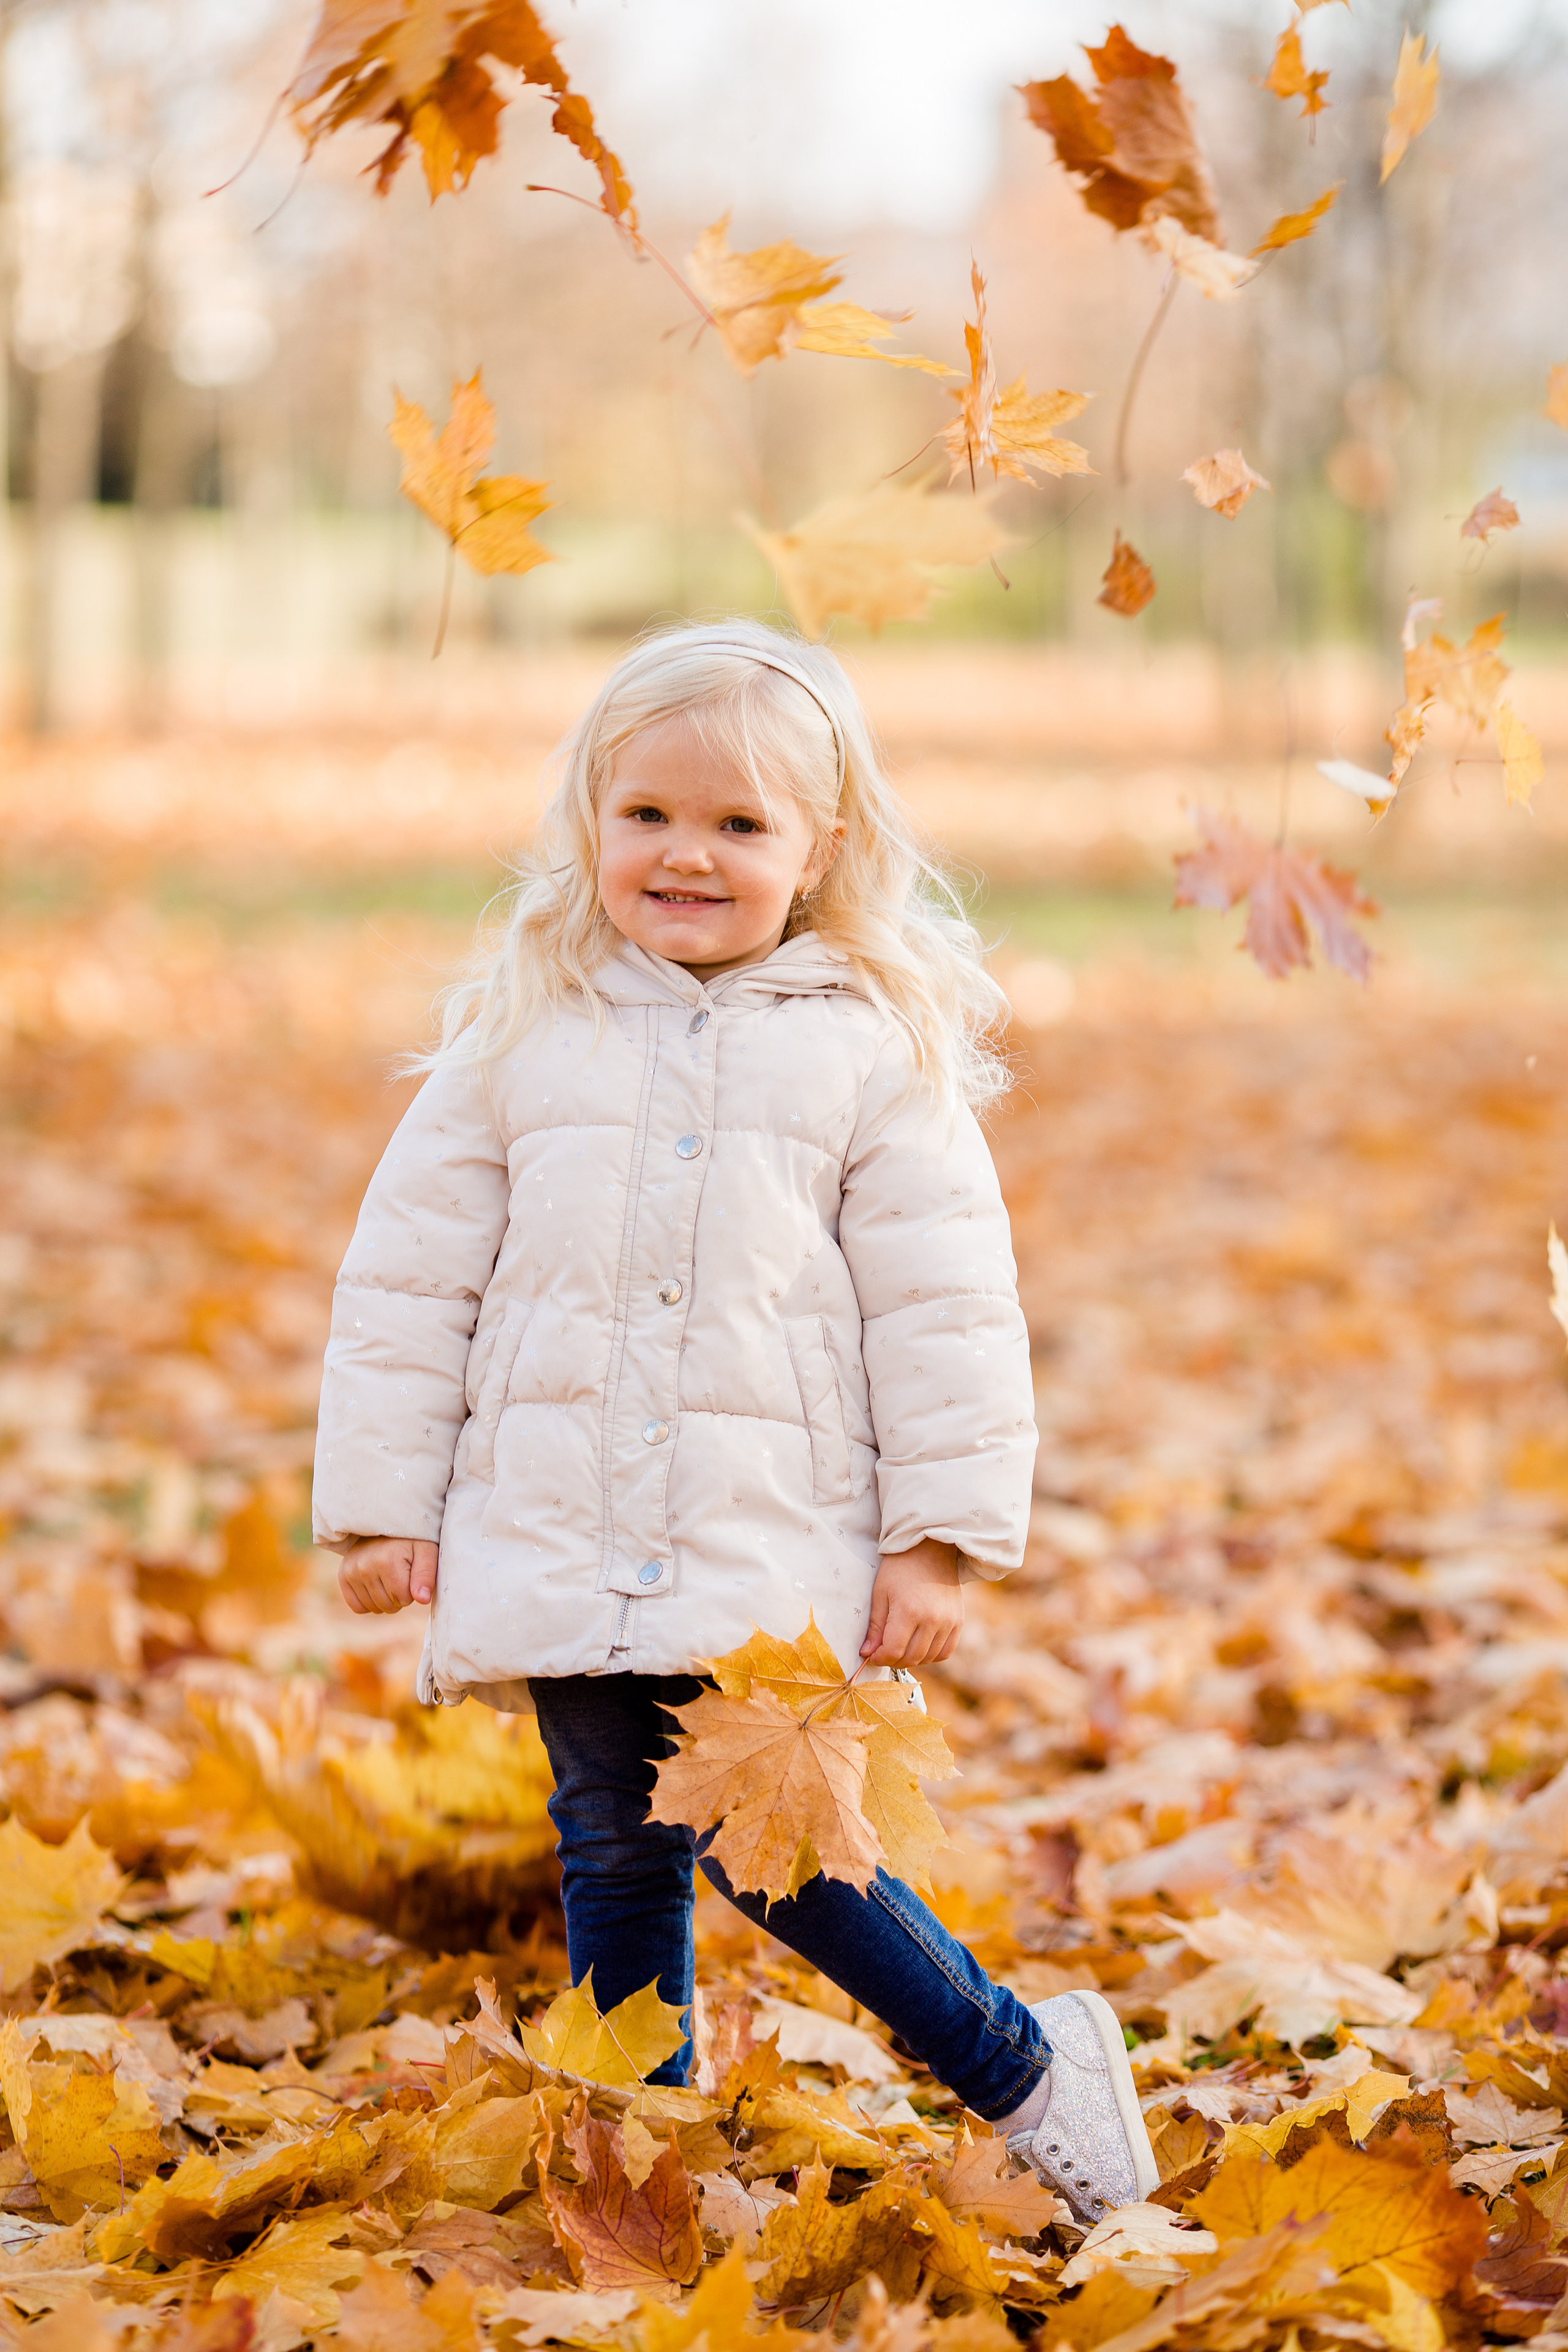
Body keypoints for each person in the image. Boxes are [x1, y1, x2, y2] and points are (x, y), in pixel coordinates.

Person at [312, 619, 1156, 2223]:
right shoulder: (521, 1033)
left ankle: (1023, 2064)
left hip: (762, 1527)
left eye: (739, 824)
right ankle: (648, 2148)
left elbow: (947, 1311)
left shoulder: (866, 1056)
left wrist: (943, 1540)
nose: (686, 854)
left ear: (820, 848)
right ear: (588, 818)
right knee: (609, 1839)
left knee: (764, 1838)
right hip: (557, 1509)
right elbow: (409, 1283)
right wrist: (381, 1502)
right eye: (649, 816)